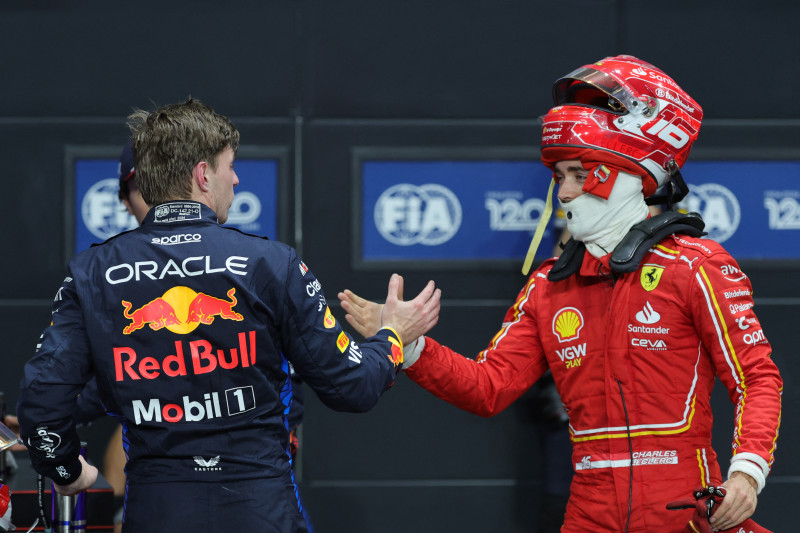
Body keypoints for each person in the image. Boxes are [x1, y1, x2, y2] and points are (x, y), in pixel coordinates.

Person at [339, 56, 782, 532]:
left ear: (629, 175)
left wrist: (746, 474)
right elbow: (488, 387)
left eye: (579, 173)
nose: (565, 193)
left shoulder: (696, 265)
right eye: (559, 176)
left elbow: (756, 377)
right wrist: (409, 345)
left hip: (686, 510)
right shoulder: (549, 286)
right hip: (589, 512)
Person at [17, 98, 441, 533]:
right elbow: (353, 386)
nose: (236, 179)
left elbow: (42, 404)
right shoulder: (271, 263)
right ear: (203, 175)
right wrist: (392, 335)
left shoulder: (91, 272)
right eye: (230, 166)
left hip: (157, 511)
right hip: (260, 509)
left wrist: (68, 471)